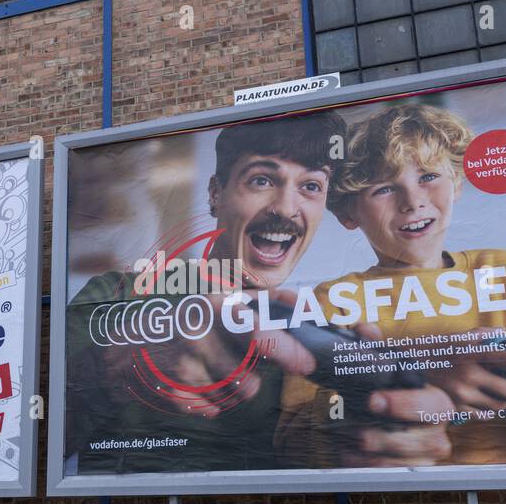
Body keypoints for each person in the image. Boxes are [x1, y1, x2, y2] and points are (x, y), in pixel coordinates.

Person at [62, 107, 455, 474]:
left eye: (311, 186)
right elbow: (40, 434)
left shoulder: (324, 326)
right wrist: (124, 363)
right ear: (216, 194)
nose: (285, 208)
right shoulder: (118, 293)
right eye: (262, 180)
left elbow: (311, 455)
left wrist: (378, 440)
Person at [276, 102, 506, 469]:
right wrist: (387, 394)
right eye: (384, 189)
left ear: (457, 183)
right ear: (347, 213)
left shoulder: (504, 270)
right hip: (399, 500)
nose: (413, 201)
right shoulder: (332, 303)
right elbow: (292, 437)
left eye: (427, 177)